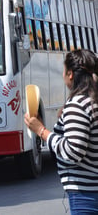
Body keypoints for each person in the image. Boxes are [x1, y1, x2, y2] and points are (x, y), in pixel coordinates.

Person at [24, 49, 98, 214]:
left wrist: (42, 131)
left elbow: (73, 152)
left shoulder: (78, 105)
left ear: (70, 74)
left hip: (86, 195)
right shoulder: (91, 101)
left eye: (63, 70)